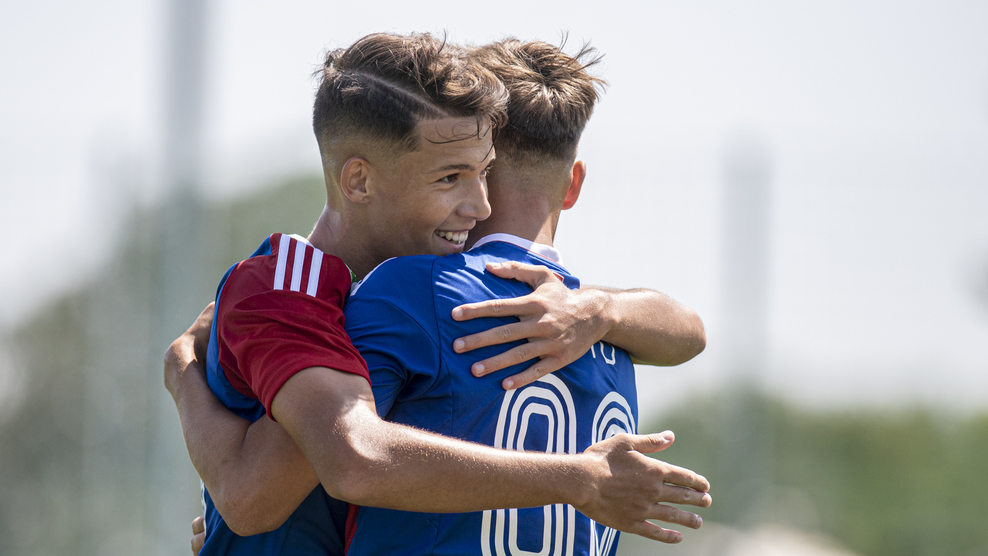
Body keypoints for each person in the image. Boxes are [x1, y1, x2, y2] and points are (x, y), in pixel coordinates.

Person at [164, 32, 709, 556]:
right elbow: (291, 483)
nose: (480, 205)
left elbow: (269, 492)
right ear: (359, 182)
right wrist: (183, 371)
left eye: (484, 173)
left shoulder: (516, 303)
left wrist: (602, 307)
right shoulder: (293, 289)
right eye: (451, 177)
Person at [340, 38, 696, 556]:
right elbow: (691, 333)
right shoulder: (616, 336)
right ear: (573, 184)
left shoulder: (412, 291)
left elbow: (334, 455)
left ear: (475, 168)